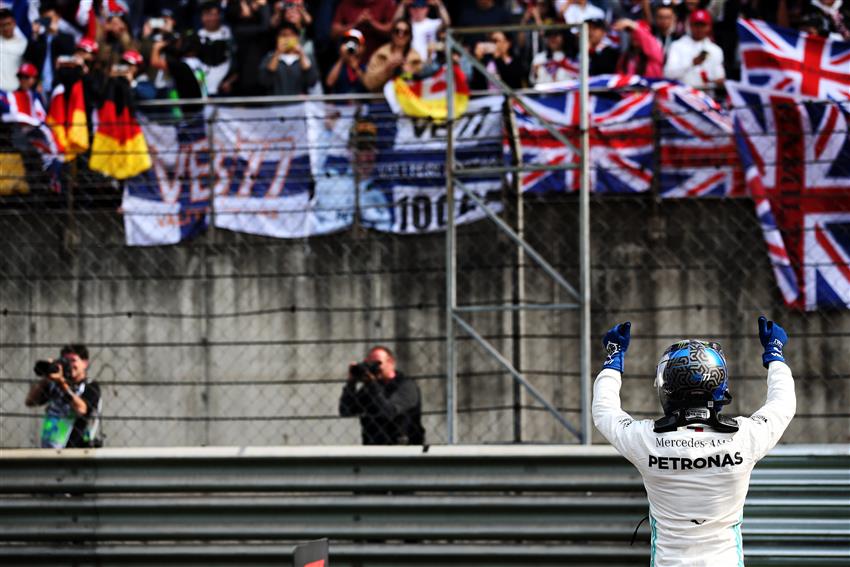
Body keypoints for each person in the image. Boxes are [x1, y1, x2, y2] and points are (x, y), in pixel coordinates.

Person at [592, 316, 795, 566]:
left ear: (666, 388)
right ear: (720, 386)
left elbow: (604, 412)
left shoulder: (646, 440)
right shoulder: (744, 437)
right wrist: (774, 353)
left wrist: (614, 358)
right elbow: (783, 404)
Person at [339, 345, 425, 445]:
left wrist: (371, 383)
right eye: (370, 364)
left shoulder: (406, 386)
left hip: (403, 451)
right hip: (373, 451)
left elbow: (387, 412)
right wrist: (351, 383)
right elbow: (346, 410)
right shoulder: (370, 388)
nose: (374, 368)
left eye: (377, 363)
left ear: (391, 362)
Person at [25, 344, 103, 449]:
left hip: (76, 451)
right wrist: (46, 376)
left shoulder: (90, 386)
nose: (70, 365)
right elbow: (30, 401)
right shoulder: (54, 384)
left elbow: (81, 409)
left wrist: (62, 383)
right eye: (66, 361)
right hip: (50, 449)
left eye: (73, 360)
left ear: (85, 363)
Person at [664, 9, 725, 90]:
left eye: (702, 25)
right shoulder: (677, 46)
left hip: (707, 94)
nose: (699, 28)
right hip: (683, 93)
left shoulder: (715, 50)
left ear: (709, 27)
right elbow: (668, 74)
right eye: (696, 25)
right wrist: (691, 64)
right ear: (690, 25)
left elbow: (719, 76)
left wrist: (719, 81)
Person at [361, 17, 423, 92]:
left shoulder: (416, 58)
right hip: (382, 100)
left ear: (410, 36)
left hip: (407, 101)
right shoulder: (380, 54)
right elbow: (369, 84)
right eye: (397, 31)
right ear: (392, 33)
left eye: (405, 32)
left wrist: (410, 74)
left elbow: (423, 87)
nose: (401, 35)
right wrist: (386, 68)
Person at [259, 21, 318, 95]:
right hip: (276, 104)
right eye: (283, 35)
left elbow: (312, 81)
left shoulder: (306, 57)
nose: (287, 38)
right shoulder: (269, 57)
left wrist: (301, 54)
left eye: (291, 35)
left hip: (300, 104)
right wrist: (277, 53)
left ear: (297, 38)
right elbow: (264, 81)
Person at [331, 0, 397, 61]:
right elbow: (334, 33)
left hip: (378, 59)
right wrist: (355, 24)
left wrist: (372, 23)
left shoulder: (385, 2)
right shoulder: (346, 3)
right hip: (348, 58)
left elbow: (393, 31)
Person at [395, 0, 450, 65]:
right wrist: (402, 5)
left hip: (429, 64)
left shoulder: (433, 23)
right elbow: (395, 23)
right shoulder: (406, 24)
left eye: (421, 8)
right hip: (409, 64)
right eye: (414, 8)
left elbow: (447, 23)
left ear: (427, 9)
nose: (418, 10)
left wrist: (439, 5)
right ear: (409, 9)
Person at [325, 28, 367, 94]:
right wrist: (342, 58)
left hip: (361, 103)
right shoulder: (338, 66)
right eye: (348, 42)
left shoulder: (365, 67)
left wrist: (356, 67)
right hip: (340, 103)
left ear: (362, 48)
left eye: (355, 43)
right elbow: (329, 83)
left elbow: (367, 85)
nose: (351, 46)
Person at [0, 4, 27, 92]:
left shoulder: (24, 43)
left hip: (16, 92)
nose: (6, 28)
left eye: (8, 24)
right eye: (2, 25)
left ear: (14, 23)